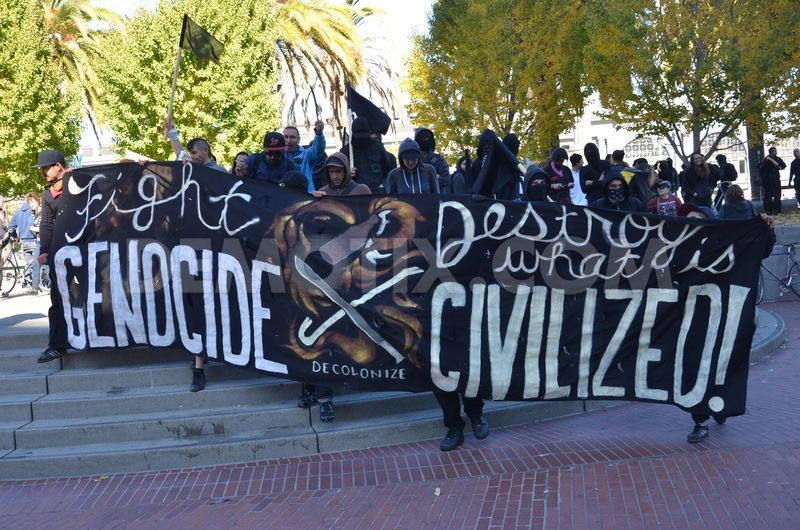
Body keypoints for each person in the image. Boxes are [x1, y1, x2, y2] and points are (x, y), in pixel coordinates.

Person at [297, 153, 368, 423]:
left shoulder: (359, 190)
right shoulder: (323, 192)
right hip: (326, 267)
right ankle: (320, 391)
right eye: (331, 172)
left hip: (356, 265)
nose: (335, 176)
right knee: (322, 330)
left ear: (346, 171)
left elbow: (370, 217)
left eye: (339, 171)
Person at [35, 150, 71, 363]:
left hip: (86, 250)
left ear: (59, 165)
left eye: (46, 167)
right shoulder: (48, 194)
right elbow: (46, 224)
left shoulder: (80, 181)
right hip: (59, 252)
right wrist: (44, 250)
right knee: (57, 299)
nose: (43, 172)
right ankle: (57, 345)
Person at [340, 117, 395, 193]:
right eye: (359, 137)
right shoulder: (345, 152)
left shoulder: (378, 147)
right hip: (355, 196)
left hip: (377, 194)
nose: (361, 139)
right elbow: (337, 178)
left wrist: (383, 185)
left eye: (363, 136)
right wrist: (347, 174)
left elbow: (389, 170)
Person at [470, 129, 521, 201]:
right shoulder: (477, 163)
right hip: (481, 202)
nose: (486, 147)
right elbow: (473, 182)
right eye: (484, 145)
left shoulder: (499, 161)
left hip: (501, 199)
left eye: (489, 145)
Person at [9, 192, 41, 293]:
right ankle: (36, 283)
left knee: (29, 262)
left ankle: (27, 282)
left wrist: (16, 237)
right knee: (36, 263)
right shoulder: (32, 211)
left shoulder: (18, 212)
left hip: (24, 240)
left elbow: (11, 227)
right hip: (34, 239)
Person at [283, 121, 326, 192]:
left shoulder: (307, 154)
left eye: (292, 137)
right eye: (286, 137)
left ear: (299, 139)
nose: (288, 140)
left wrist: (319, 134)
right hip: (285, 196)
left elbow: (318, 149)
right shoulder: (277, 156)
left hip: (306, 196)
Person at [414, 128, 450, 192]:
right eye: (423, 139)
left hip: (436, 197)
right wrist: (435, 177)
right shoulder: (413, 160)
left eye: (428, 138)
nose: (426, 140)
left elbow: (446, 179)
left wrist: (428, 181)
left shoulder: (439, 159)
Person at [759, 147, 787, 215]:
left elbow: (783, 165)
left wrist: (780, 167)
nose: (775, 152)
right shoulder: (766, 160)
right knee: (768, 196)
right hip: (768, 181)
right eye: (774, 151)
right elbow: (761, 169)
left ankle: (777, 210)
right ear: (770, 152)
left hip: (776, 180)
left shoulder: (777, 158)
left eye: (776, 151)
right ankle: (768, 210)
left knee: (777, 195)